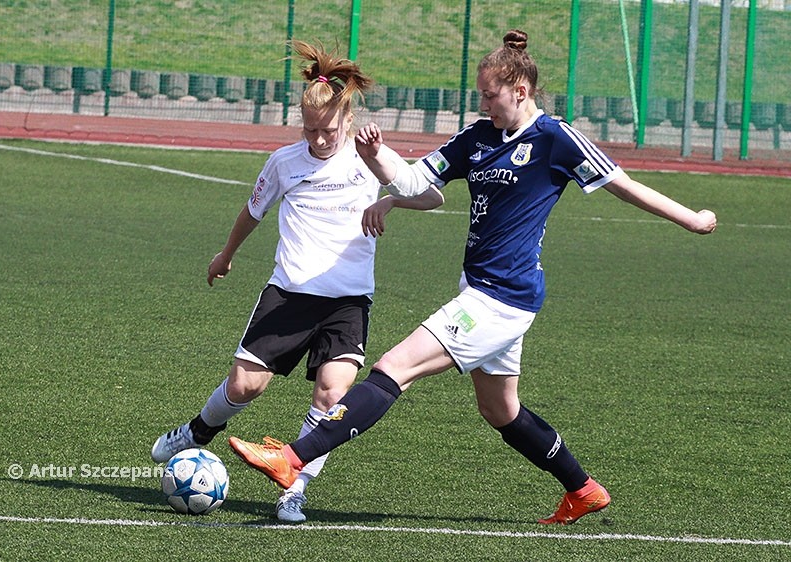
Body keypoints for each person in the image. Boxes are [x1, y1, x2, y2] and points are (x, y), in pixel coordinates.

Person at [228, 29, 717, 525]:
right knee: (500, 410)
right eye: (480, 95)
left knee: (394, 367)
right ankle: (584, 489)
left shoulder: (555, 138)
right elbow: (416, 181)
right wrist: (378, 158)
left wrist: (691, 219)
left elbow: (623, 185)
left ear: (520, 91)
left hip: (504, 298)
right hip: (480, 289)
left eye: (490, 95)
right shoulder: (477, 137)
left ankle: (291, 458)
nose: (483, 104)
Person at [150, 40, 443, 523]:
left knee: (332, 396)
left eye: (328, 130)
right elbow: (253, 211)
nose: (319, 140)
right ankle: (198, 431)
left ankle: (294, 488)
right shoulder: (285, 162)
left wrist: (390, 199)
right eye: (310, 130)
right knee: (244, 386)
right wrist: (226, 255)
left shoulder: (370, 157)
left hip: (348, 302)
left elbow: (433, 198)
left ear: (348, 121)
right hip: (289, 294)